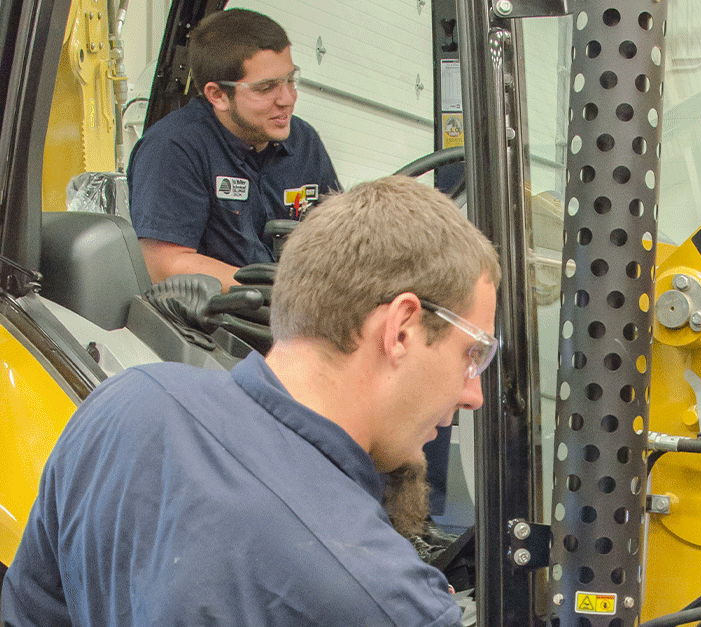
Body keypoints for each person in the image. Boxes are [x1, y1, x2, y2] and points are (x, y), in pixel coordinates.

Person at [1, 175, 500, 626]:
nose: (473, 393)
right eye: (472, 352)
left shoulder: (124, 405)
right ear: (401, 329)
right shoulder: (388, 601)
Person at [128, 8, 340, 291]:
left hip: (290, 314)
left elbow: (341, 242)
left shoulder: (304, 142)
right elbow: (165, 265)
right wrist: (282, 290)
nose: (287, 99)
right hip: (214, 325)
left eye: (290, 80)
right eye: (266, 88)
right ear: (218, 95)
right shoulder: (174, 148)